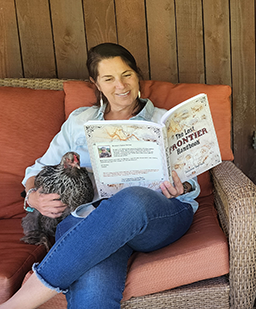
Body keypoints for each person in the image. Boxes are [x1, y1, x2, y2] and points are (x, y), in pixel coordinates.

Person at [0, 43, 200, 309]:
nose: (120, 85)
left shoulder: (165, 120)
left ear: (137, 75)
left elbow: (192, 183)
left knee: (131, 199)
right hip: (91, 218)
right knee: (93, 286)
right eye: (109, 78)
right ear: (96, 83)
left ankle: (17, 305)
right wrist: (33, 198)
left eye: (126, 74)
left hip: (156, 216)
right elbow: (37, 169)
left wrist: (181, 186)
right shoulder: (79, 121)